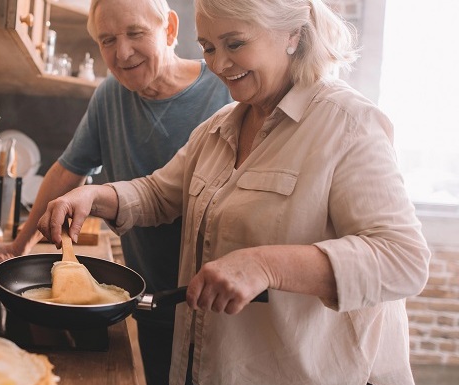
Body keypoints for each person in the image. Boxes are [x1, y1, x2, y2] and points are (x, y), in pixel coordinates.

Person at [37, 0, 431, 384]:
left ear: (292, 34)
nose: (219, 64)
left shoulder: (348, 124)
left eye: (235, 43)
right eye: (208, 47)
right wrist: (93, 197)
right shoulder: (219, 126)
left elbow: (403, 259)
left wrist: (266, 265)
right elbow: (159, 193)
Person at [0, 0, 231, 384]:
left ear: (170, 29)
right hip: (151, 297)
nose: (122, 52)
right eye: (108, 39)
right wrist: (19, 245)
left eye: (135, 33)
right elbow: (67, 171)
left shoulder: (226, 90)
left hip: (220, 305)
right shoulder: (110, 95)